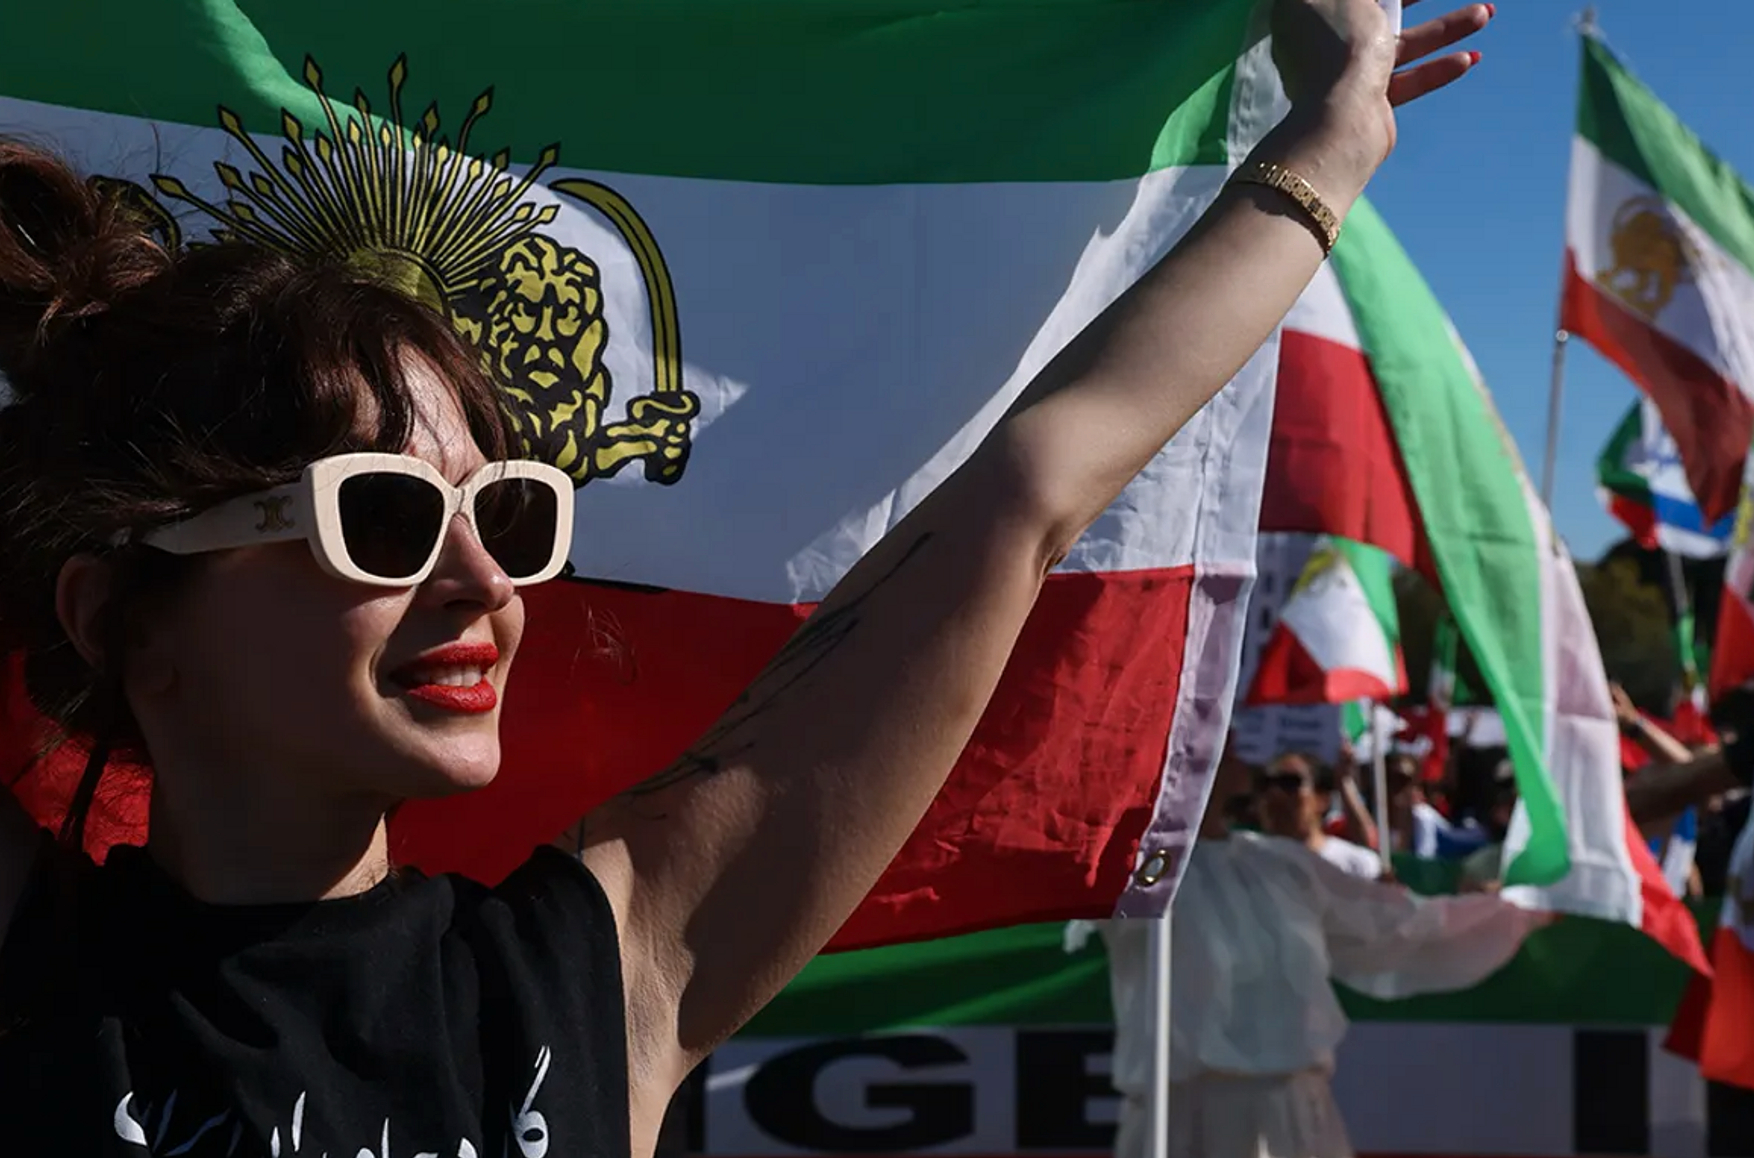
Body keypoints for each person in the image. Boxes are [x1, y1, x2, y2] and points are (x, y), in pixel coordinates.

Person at [0, 2, 1492, 1152]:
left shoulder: (596, 978)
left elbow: (1027, 489)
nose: (483, 579)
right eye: (382, 518)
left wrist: (1335, 130)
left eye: (513, 513)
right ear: (121, 618)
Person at [1096, 742, 1549, 1158]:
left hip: (1290, 1116)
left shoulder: (1282, 864)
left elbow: (1406, 926)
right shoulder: (1145, 869)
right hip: (1179, 1119)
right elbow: (1124, 894)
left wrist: (1529, 907)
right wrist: (1161, 834)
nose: (1235, 747)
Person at [1256, 752, 1383, 879]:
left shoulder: (1358, 866)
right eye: (1266, 784)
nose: (1275, 793)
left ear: (1322, 799)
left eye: (1290, 783)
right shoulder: (1247, 867)